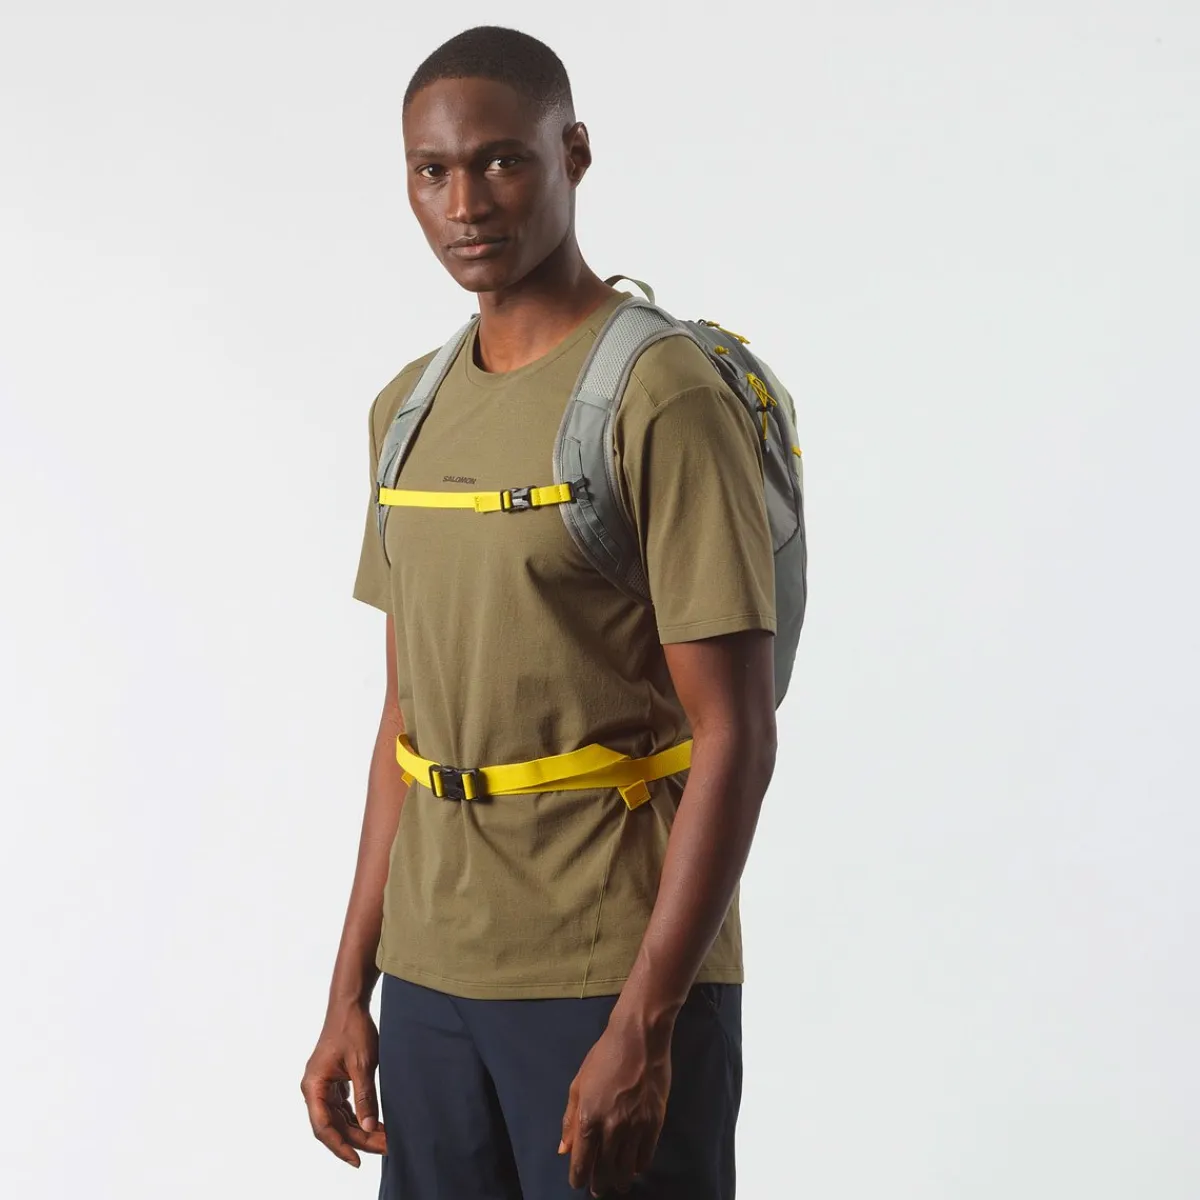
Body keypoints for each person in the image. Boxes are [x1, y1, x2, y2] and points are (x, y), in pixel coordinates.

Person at [301, 24, 779, 1200]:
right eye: (432, 171)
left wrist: (646, 1023)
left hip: (604, 970)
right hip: (431, 981)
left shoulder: (661, 395)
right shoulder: (406, 410)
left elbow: (736, 729)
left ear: (574, 153)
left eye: (501, 161)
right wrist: (350, 990)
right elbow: (406, 720)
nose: (465, 204)